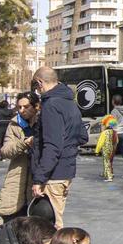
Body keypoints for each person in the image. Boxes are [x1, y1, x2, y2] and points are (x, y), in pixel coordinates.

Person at [28, 65, 82, 223]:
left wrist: (39, 179)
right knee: (55, 221)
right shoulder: (70, 103)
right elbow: (82, 136)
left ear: (40, 82)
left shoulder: (51, 105)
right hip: (66, 170)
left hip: (53, 174)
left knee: (50, 226)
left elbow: (52, 145)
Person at [0, 91, 39, 220]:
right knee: (13, 219)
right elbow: (6, 150)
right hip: (17, 176)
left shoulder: (43, 122)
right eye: (19, 107)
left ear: (36, 107)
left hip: (37, 178)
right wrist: (24, 143)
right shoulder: (14, 124)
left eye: (26, 107)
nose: (22, 110)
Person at [97, 98, 123, 182]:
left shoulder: (114, 111)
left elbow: (112, 123)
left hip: (116, 133)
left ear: (113, 101)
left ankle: (109, 172)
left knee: (110, 154)